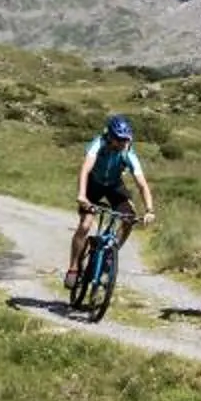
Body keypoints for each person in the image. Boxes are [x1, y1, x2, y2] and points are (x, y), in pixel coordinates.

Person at [67, 115, 155, 289]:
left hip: (114, 185)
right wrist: (82, 195)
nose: (123, 143)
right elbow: (85, 170)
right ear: (110, 137)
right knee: (85, 226)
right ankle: (74, 267)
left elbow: (142, 185)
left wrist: (149, 210)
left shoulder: (128, 152)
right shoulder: (98, 144)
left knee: (129, 218)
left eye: (126, 140)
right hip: (93, 184)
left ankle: (109, 255)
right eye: (119, 139)